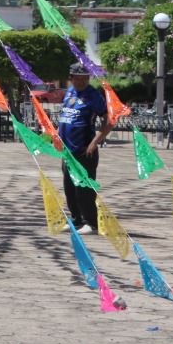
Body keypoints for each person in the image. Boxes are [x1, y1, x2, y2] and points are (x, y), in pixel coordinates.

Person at [58, 63, 113, 234]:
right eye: (77, 78)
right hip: (67, 151)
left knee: (84, 189)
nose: (81, 82)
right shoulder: (69, 92)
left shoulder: (93, 95)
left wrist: (95, 142)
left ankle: (91, 223)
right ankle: (76, 220)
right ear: (71, 78)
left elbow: (109, 121)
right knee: (69, 188)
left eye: (85, 79)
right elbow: (65, 116)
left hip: (84, 150)